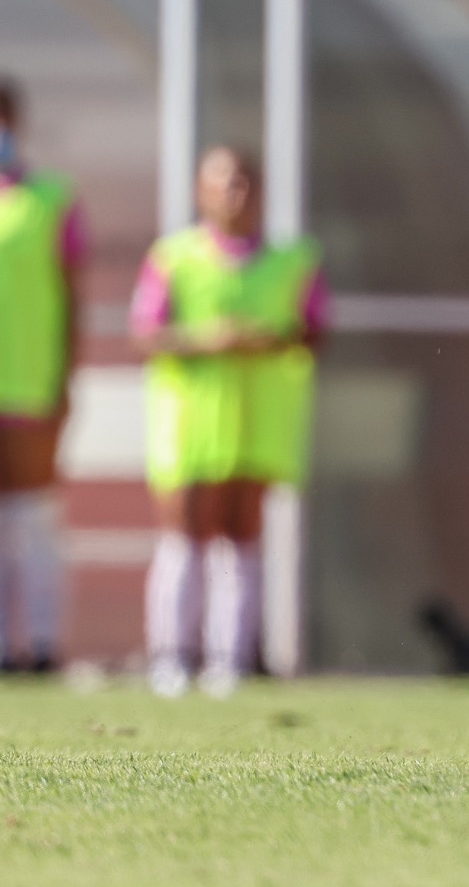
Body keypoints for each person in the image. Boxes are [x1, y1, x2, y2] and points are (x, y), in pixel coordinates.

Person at [132, 147, 324, 698]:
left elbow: (314, 328)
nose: (233, 194)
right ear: (200, 191)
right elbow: (146, 332)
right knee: (185, 534)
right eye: (222, 183)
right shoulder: (174, 256)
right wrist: (206, 340)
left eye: (244, 183)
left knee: (242, 538)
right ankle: (171, 657)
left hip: (256, 419)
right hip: (190, 419)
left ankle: (230, 661)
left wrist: (269, 339)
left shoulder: (294, 258)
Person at [0, 76, 83, 673]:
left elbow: (73, 297)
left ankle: (45, 647)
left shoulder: (52, 198)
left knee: (34, 521)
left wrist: (65, 382)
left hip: (29, 385)